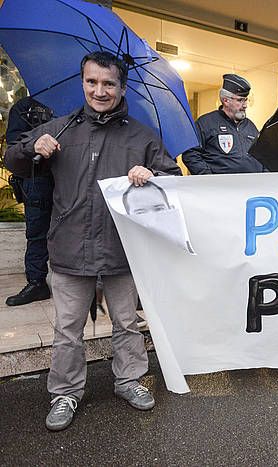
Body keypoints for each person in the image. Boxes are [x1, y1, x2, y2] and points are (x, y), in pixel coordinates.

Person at [5, 51, 182, 431]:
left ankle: (129, 380)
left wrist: (150, 172)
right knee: (67, 328)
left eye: (108, 84)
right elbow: (13, 161)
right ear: (82, 81)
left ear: (122, 87)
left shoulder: (142, 136)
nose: (99, 91)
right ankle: (65, 392)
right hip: (69, 249)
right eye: (92, 82)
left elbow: (173, 178)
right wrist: (31, 148)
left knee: (127, 323)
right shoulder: (61, 128)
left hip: (122, 250)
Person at [5, 97, 54, 306]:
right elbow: (13, 146)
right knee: (37, 233)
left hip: (71, 177)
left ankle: (91, 285)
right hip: (37, 178)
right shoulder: (25, 107)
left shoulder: (78, 107)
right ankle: (36, 282)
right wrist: (34, 143)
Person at [182, 73, 263, 174]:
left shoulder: (250, 126)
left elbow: (262, 156)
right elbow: (190, 154)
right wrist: (208, 177)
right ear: (225, 100)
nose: (245, 105)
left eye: (246, 100)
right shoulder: (206, 123)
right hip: (219, 187)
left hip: (251, 187)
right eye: (240, 100)